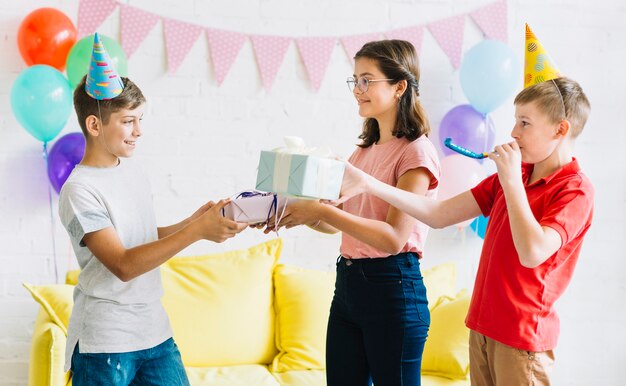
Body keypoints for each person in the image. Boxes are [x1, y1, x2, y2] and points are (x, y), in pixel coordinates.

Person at [332, 26, 594, 386]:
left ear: (560, 129)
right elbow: (438, 215)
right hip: (483, 328)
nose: (513, 132)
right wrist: (369, 184)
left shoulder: (574, 190)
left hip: (523, 339)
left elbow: (533, 252)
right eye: (515, 120)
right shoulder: (513, 174)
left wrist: (512, 183)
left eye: (525, 123)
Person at [58, 33, 247, 385]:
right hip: (105, 343)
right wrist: (196, 232)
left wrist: (193, 221)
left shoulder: (132, 171)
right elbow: (124, 264)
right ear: (95, 125)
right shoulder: (79, 190)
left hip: (154, 333)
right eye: (128, 121)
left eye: (140, 119)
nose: (139, 131)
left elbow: (138, 238)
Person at [264, 40, 440, 386]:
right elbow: (335, 223)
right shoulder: (363, 152)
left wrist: (321, 212)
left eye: (367, 80)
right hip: (348, 288)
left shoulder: (416, 154)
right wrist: (298, 211)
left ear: (399, 86)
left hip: (393, 288)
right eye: (355, 80)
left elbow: (392, 239)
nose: (357, 90)